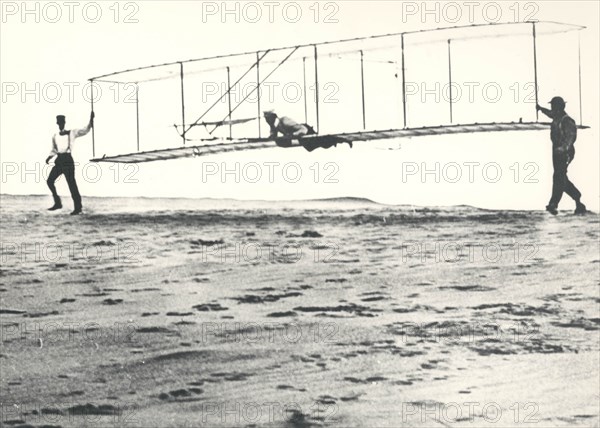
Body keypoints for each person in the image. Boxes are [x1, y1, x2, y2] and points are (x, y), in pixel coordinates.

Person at [537, 97, 586, 215]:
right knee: (561, 177)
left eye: (553, 106)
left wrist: (563, 148)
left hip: (565, 152)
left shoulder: (566, 120)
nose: (552, 108)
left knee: (558, 176)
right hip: (557, 151)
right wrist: (540, 109)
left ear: (559, 107)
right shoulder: (557, 116)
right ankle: (577, 198)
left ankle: (554, 203)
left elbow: (571, 137)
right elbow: (550, 114)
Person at [46, 112, 94, 215]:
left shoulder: (72, 133)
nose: (61, 124)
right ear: (57, 123)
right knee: (50, 181)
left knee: (72, 184)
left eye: (62, 122)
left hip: (68, 160)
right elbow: (54, 149)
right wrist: (49, 158)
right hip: (59, 160)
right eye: (59, 123)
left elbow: (85, 130)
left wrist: (90, 120)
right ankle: (57, 203)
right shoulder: (55, 136)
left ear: (65, 122)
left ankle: (78, 208)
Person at [263, 110, 351, 152]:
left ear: (273, 118)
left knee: (322, 143)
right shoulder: (273, 125)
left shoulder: (284, 121)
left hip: (306, 132)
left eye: (267, 119)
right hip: (301, 136)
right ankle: (334, 141)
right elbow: (273, 134)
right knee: (311, 147)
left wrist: (291, 135)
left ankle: (341, 140)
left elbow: (303, 129)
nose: (266, 121)